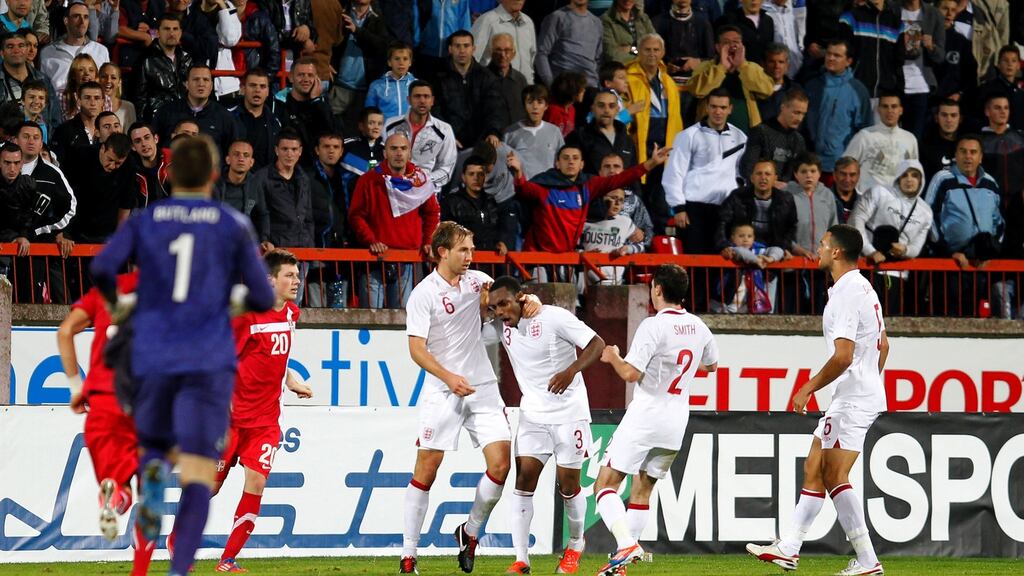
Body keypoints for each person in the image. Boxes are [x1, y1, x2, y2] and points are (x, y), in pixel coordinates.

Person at [88, 134, 275, 576]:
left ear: (169, 176)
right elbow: (265, 296)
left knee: (152, 451)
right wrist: (230, 302)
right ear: (213, 175)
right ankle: (179, 570)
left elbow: (100, 267)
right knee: (196, 474)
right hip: (207, 362)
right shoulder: (231, 223)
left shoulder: (147, 220)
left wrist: (118, 303)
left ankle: (149, 479)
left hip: (153, 357)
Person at [747, 223, 888, 576]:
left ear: (837, 252)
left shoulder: (846, 292)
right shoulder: (864, 289)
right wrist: (868, 376)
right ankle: (790, 547)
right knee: (815, 465)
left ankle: (868, 560)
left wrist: (808, 386)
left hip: (853, 395)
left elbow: (843, 356)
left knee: (835, 474)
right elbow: (884, 345)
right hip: (856, 391)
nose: (820, 249)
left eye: (824, 245)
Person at [399, 221, 538, 575]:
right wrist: (448, 376)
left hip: (483, 387)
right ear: (442, 251)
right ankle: (408, 556)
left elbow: (512, 302)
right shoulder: (423, 294)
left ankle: (471, 531)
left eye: (472, 250)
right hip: (443, 389)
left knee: (501, 465)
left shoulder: (479, 282)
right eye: (463, 250)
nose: (470, 257)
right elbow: (416, 349)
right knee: (426, 470)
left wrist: (530, 299)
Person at [595, 263, 719, 576]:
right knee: (643, 489)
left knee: (604, 485)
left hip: (646, 415)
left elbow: (631, 373)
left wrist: (612, 357)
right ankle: (621, 566)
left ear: (658, 290)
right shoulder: (699, 327)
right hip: (676, 420)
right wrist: (680, 368)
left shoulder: (653, 326)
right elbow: (712, 365)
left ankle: (625, 544)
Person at [485, 275, 604, 575]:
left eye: (504, 304)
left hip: (569, 414)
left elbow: (596, 343)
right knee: (523, 481)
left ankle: (576, 544)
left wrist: (570, 371)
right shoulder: (501, 327)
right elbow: (473, 317)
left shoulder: (553, 317)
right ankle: (521, 559)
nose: (499, 312)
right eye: (494, 307)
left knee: (569, 486)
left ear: (521, 297)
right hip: (533, 417)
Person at [208, 249, 312, 572]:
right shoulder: (246, 316)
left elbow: (276, 358)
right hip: (232, 420)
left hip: (266, 422)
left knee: (256, 483)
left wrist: (291, 381)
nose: (296, 281)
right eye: (289, 276)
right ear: (269, 280)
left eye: (297, 275)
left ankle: (228, 559)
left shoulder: (291, 314)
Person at [55, 270, 158, 576]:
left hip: (103, 401)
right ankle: (139, 572)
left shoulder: (105, 291)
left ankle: (114, 496)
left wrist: (76, 388)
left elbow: (64, 332)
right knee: (149, 492)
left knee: (118, 483)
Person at [507, 143, 670, 256]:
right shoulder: (545, 186)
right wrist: (518, 173)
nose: (570, 161)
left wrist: (652, 163)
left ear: (582, 164)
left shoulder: (587, 186)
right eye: (565, 158)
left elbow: (621, 179)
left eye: (575, 158)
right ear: (557, 163)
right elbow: (524, 189)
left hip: (568, 259)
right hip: (539, 258)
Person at [348, 132, 440, 308]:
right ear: (385, 153)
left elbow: (432, 213)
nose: (399, 153)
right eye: (394, 148)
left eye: (403, 149)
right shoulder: (368, 180)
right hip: (374, 261)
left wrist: (428, 241)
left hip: (408, 261)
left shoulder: (421, 181)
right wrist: (371, 240)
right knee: (371, 320)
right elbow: (356, 215)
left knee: (403, 321)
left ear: (410, 153)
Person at [924, 134, 1004, 315]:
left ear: (981, 157)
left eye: (973, 152)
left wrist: (989, 253)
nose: (968, 156)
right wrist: (949, 252)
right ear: (956, 155)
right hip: (950, 265)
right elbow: (928, 218)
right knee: (947, 316)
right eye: (963, 151)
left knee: (978, 317)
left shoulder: (990, 184)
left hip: (980, 267)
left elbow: (999, 222)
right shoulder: (942, 179)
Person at [663, 88, 747, 256]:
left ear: (730, 109)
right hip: (694, 209)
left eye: (723, 108)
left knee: (724, 262)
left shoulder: (740, 137)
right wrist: (679, 208)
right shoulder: (688, 135)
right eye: (714, 106)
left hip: (726, 209)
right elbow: (674, 173)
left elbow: (742, 173)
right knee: (696, 261)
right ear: (706, 108)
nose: (718, 111)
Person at [849, 159, 934, 315]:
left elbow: (916, 248)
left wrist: (905, 250)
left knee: (887, 323)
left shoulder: (926, 212)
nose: (909, 179)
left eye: (914, 175)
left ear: (921, 180)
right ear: (898, 178)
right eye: (905, 175)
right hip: (866, 268)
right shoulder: (879, 192)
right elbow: (856, 219)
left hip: (897, 275)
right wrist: (869, 251)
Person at [803, 39, 871, 178]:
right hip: (809, 164)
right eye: (828, 54)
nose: (831, 58)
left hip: (840, 167)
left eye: (837, 55)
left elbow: (865, 130)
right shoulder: (812, 85)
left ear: (848, 61)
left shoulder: (858, 91)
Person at [688, 25, 774, 133]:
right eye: (726, 42)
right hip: (709, 135)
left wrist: (742, 66)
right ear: (718, 47)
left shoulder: (751, 68)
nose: (732, 46)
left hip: (747, 134)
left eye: (736, 42)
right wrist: (721, 67)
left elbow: (767, 90)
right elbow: (696, 90)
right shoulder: (705, 67)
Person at [435, 30, 506, 150]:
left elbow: (495, 109)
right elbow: (435, 111)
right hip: (449, 142)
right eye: (457, 46)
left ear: (473, 49)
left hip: (481, 142)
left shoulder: (487, 77)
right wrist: (446, 136)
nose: (462, 50)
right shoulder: (437, 77)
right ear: (450, 49)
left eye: (466, 46)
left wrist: (493, 132)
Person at [785, 152, 837, 313]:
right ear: (796, 174)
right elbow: (781, 230)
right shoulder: (787, 195)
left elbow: (833, 228)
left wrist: (827, 252)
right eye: (803, 171)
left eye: (813, 171)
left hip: (821, 264)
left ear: (820, 174)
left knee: (820, 310)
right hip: (793, 262)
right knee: (794, 309)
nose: (809, 175)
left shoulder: (827, 195)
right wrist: (797, 249)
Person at [153, 64, 241, 155]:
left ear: (211, 85)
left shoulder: (224, 117)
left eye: (206, 80)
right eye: (196, 79)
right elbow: (154, 145)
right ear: (186, 84)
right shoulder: (166, 111)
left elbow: (233, 152)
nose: (201, 84)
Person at [384, 80, 458, 188]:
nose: (422, 101)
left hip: (427, 190)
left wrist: (422, 180)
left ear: (432, 101)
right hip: (392, 186)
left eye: (426, 96)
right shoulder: (390, 125)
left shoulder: (444, 130)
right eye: (417, 96)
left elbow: (446, 170)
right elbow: (381, 157)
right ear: (408, 100)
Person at [251, 128, 314, 253]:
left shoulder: (304, 178)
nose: (289, 154)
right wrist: (263, 240)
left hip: (303, 250)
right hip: (274, 250)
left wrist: (310, 246)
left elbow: (308, 216)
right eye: (285, 149)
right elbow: (257, 214)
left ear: (300, 151)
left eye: (294, 149)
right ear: (276, 150)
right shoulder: (261, 178)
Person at [842, 93, 920, 192]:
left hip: (898, 201)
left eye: (894, 106)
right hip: (867, 201)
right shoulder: (864, 136)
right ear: (878, 110)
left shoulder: (910, 139)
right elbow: (844, 167)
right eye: (885, 106)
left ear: (901, 110)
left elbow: (914, 172)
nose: (890, 111)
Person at [440, 154, 513, 255]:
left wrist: (502, 241)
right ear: (463, 177)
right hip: (464, 262)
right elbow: (447, 234)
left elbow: (502, 226)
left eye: (480, 174)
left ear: (485, 177)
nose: (476, 178)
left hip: (491, 261)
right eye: (471, 174)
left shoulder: (491, 201)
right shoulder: (451, 202)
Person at [39, 1, 109, 98]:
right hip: (59, 109)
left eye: (85, 17)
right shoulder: (48, 52)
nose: (82, 22)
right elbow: (43, 90)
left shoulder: (101, 51)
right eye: (76, 16)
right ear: (66, 21)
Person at [711, 221, 785, 313]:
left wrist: (770, 258)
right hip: (725, 304)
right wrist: (757, 261)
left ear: (754, 238)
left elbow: (778, 250)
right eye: (741, 236)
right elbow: (740, 251)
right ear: (732, 238)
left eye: (749, 236)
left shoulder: (758, 250)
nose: (745, 239)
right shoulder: (729, 250)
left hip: (747, 304)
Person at [739, 87, 807, 186]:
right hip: (758, 194)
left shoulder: (799, 140)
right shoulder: (761, 132)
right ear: (783, 107)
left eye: (803, 114)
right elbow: (747, 169)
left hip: (786, 196)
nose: (800, 118)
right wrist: (772, 184)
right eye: (796, 113)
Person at [898, 0, 946, 139]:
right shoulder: (892, 10)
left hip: (920, 86)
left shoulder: (933, 14)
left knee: (914, 141)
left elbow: (940, 56)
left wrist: (931, 46)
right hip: (895, 84)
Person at [839, 0, 905, 99]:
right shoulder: (850, 17)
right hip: (854, 92)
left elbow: (898, 62)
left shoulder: (896, 23)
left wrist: (898, 91)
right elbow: (842, 56)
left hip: (885, 96)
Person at [134, 13, 193, 122]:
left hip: (184, 118)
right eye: (166, 29)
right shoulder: (145, 59)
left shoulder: (188, 59)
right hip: (157, 120)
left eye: (175, 29)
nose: (171, 33)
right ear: (157, 32)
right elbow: (139, 98)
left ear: (180, 33)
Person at [213, 138, 271, 249]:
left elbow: (263, 214)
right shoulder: (214, 183)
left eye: (246, 155)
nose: (241, 159)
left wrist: (264, 239)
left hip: (243, 243)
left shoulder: (255, 183)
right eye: (236, 154)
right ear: (228, 159)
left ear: (251, 162)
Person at [566, 89, 637, 174]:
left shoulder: (627, 140)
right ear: (592, 108)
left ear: (617, 110)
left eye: (611, 106)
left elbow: (633, 175)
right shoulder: (578, 137)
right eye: (601, 105)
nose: (606, 110)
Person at [503, 84, 564, 180]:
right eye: (530, 102)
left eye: (540, 102)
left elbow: (562, 162)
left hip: (548, 189)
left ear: (546, 106)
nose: (535, 106)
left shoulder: (554, 131)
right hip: (522, 190)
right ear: (524, 105)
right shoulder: (510, 133)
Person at [535, 0, 603, 87]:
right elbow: (541, 53)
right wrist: (551, 84)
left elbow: (598, 58)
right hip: (564, 86)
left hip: (590, 86)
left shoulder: (597, 22)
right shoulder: (556, 17)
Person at [580, 187, 639, 285]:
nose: (617, 203)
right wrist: (585, 253)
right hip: (588, 278)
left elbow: (641, 245)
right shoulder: (583, 221)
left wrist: (627, 249)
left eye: (621, 200)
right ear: (601, 198)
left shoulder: (625, 222)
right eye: (613, 198)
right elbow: (573, 247)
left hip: (615, 278)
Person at [228, 68, 282, 171]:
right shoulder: (229, 117)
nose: (257, 90)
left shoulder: (275, 122)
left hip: (265, 182)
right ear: (242, 89)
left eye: (262, 86)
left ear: (267, 92)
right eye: (252, 85)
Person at [472, 0, 536, 83]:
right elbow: (472, 59)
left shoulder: (528, 22)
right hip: (494, 88)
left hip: (524, 89)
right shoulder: (487, 20)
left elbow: (531, 61)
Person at [979, 94, 1024, 211]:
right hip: (988, 203)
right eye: (998, 108)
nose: (1003, 112)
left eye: (1006, 108)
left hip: (1018, 203)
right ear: (987, 111)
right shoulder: (978, 142)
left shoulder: (1020, 137)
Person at [365, 42, 417, 122]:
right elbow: (369, 115)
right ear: (389, 62)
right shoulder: (376, 86)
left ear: (410, 62)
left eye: (405, 59)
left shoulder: (417, 85)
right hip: (385, 133)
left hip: (411, 132)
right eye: (397, 59)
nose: (401, 63)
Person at [486, 33, 528, 126]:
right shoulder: (481, 78)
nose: (503, 55)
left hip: (517, 135)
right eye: (498, 50)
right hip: (491, 137)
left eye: (507, 50)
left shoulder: (520, 79)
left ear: (514, 53)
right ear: (491, 52)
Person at [602, 0, 655, 65]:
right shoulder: (606, 20)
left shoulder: (643, 18)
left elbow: (655, 46)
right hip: (622, 70)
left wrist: (631, 49)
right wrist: (643, 56)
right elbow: (612, 55)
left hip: (646, 68)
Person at [920, 98, 961, 181]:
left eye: (953, 115)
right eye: (944, 115)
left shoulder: (967, 146)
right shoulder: (925, 147)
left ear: (960, 119)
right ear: (936, 118)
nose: (949, 120)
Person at [756, 42, 798, 122]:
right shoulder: (754, 90)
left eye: (781, 62)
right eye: (771, 62)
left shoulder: (796, 91)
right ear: (763, 64)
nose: (776, 66)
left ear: (787, 66)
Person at [99, 63, 137, 130]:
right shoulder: (91, 106)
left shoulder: (128, 107)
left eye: (113, 78)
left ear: (119, 82)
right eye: (104, 77)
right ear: (98, 80)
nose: (108, 81)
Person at [831, 156, 863, 224]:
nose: (847, 180)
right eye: (843, 174)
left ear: (858, 176)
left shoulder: (863, 203)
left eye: (852, 175)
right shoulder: (822, 200)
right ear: (834, 175)